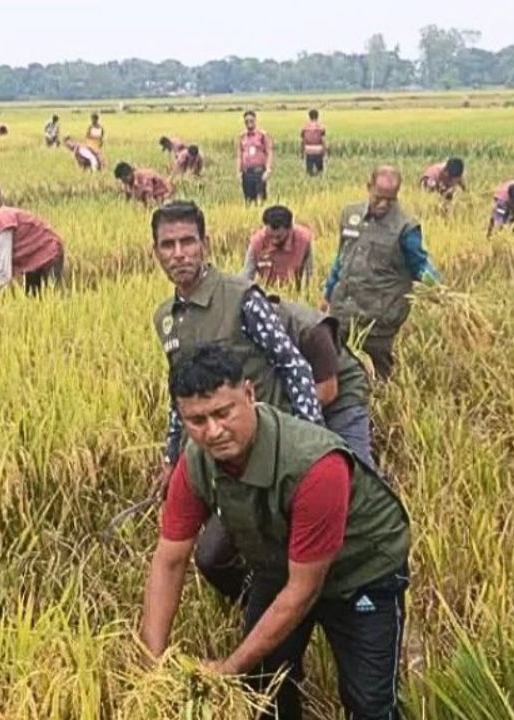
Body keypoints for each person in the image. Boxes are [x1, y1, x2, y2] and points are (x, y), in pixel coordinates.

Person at [141, 343, 410, 720]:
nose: (213, 431)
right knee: (262, 688)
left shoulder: (314, 465)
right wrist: (151, 663)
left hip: (361, 571)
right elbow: (169, 561)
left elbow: (303, 590)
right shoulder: (196, 462)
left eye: (223, 412)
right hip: (280, 562)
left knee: (368, 703)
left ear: (249, 394)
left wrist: (228, 666)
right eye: (197, 421)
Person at [151, 200, 325, 601]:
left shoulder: (241, 297)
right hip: (219, 455)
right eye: (168, 245)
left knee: (281, 548)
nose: (179, 254)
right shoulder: (166, 318)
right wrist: (171, 457)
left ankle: (285, 614)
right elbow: (178, 394)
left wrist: (313, 443)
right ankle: (259, 607)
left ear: (205, 245)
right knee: (212, 557)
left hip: (272, 448)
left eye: (187, 242)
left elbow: (292, 364)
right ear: (156, 252)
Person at [322, 166, 440, 381]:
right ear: (369, 187)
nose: (384, 204)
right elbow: (342, 258)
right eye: (379, 198)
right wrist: (328, 293)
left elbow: (420, 264)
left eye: (390, 199)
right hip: (343, 312)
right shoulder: (350, 215)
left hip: (377, 320)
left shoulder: (405, 227)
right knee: (339, 374)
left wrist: (438, 288)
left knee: (378, 379)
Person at [270, 299, 374, 467]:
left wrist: (286, 417)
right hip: (301, 401)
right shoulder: (251, 334)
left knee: (357, 468)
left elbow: (328, 390)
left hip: (342, 394)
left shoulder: (311, 330)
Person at [240, 205, 314, 290]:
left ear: (289, 229)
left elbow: (309, 275)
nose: (274, 240)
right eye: (270, 236)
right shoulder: (257, 243)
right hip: (269, 293)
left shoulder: (304, 240)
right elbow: (246, 276)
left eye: (278, 237)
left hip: (294, 294)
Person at [237, 111, 273, 203]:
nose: (249, 123)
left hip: (259, 172)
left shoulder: (262, 135)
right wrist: (238, 172)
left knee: (260, 199)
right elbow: (239, 155)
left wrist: (268, 170)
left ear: (255, 120)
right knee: (248, 200)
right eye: (246, 121)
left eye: (251, 120)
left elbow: (269, 152)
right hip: (246, 173)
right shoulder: (242, 137)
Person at [300, 109, 326, 176]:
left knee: (309, 172)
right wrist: (324, 152)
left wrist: (302, 152)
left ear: (309, 116)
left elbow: (303, 141)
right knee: (320, 172)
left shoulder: (305, 127)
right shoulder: (321, 127)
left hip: (308, 150)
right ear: (317, 116)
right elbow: (323, 140)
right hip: (318, 150)